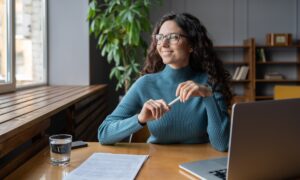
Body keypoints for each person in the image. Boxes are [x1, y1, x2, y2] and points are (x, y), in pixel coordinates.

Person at [98, 12, 232, 152]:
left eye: (174, 37)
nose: (164, 43)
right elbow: (104, 133)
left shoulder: (209, 83)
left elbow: (222, 144)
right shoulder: (145, 84)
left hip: (199, 166)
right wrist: (140, 118)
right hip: (157, 166)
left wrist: (207, 95)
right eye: (160, 37)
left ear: (191, 45)